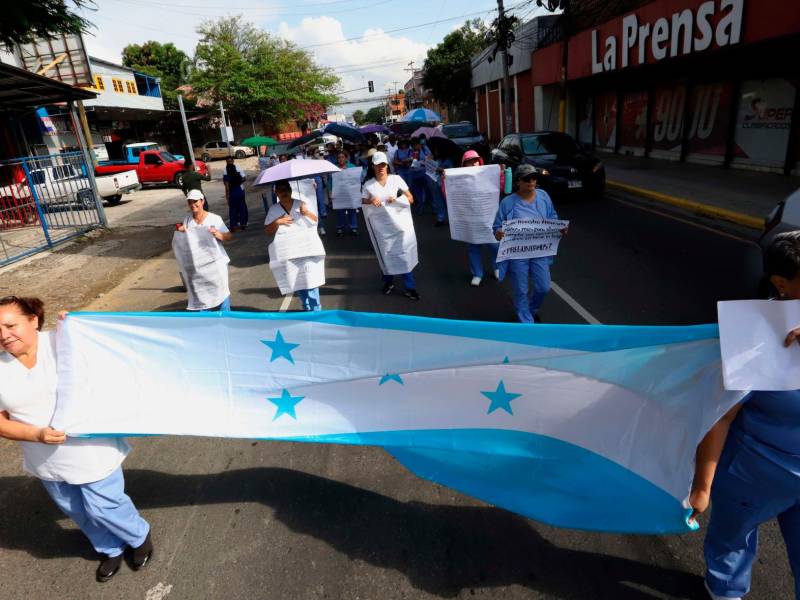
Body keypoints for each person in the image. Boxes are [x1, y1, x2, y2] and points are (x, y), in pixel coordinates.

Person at [0, 296, 153, 583]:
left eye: (11, 325)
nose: (4, 335)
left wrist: (83, 327)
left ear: (33, 320)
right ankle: (109, 548)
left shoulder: (63, 341)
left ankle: (138, 536)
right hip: (44, 457)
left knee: (104, 505)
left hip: (90, 450)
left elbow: (115, 359)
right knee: (77, 510)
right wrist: (36, 434)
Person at [690, 231, 800, 600]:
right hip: (754, 474)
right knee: (732, 547)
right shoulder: (751, 337)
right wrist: (702, 488)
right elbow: (722, 416)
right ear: (781, 284)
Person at [493, 164, 567, 323]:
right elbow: (497, 227)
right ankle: (526, 322)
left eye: (534, 178)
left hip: (539, 251)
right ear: (518, 181)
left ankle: (531, 310)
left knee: (544, 287)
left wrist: (560, 228)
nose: (531, 181)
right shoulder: (508, 203)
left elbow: (552, 217)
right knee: (521, 290)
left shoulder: (543, 196)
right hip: (517, 254)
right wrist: (499, 233)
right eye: (527, 179)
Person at [361, 151, 420, 300]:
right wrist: (371, 200)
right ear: (372, 166)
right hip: (382, 228)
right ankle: (388, 282)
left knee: (403, 254)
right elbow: (362, 201)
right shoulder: (368, 185)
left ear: (387, 165)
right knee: (386, 255)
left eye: (383, 164)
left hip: (400, 226)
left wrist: (398, 197)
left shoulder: (397, 180)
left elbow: (411, 198)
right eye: (377, 165)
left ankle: (410, 287)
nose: (381, 167)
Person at [264, 179, 322, 311]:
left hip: (306, 249)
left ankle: (316, 310)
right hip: (289, 253)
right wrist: (278, 222)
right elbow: (267, 231)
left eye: (286, 189)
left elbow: (315, 220)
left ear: (291, 190)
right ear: (276, 193)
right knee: (298, 281)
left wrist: (306, 212)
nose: (284, 192)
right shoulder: (273, 210)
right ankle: (306, 307)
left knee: (311, 280)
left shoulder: (302, 204)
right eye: (280, 190)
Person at [176, 189, 234, 311]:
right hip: (198, 267)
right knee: (201, 298)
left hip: (216, 265)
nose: (193, 205)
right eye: (190, 202)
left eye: (195, 201)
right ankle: (205, 322)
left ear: (202, 201)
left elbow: (229, 236)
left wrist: (218, 234)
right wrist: (182, 232)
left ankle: (225, 321)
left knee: (221, 294)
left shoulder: (214, 219)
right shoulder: (187, 221)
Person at [458, 150, 499, 286]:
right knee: (474, 246)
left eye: (475, 160)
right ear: (464, 164)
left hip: (488, 217)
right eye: (470, 161)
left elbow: (502, 187)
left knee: (494, 244)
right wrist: (446, 180)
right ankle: (477, 274)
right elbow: (449, 196)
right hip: (470, 218)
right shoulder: (458, 179)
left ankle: (497, 267)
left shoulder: (488, 175)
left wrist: (502, 174)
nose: (473, 163)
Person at [331, 150, 358, 237]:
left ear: (346, 158)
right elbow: (330, 182)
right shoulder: (334, 168)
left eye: (342, 157)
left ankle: (353, 228)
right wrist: (330, 193)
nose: (340, 159)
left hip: (350, 193)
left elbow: (357, 180)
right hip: (339, 194)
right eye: (339, 157)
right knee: (340, 211)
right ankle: (340, 228)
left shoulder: (352, 167)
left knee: (352, 210)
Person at [223, 157, 248, 231]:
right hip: (240, 190)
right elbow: (243, 178)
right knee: (242, 207)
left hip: (232, 192)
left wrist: (227, 197)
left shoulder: (226, 174)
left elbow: (227, 187)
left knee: (233, 209)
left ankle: (233, 226)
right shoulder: (237, 173)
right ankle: (243, 224)